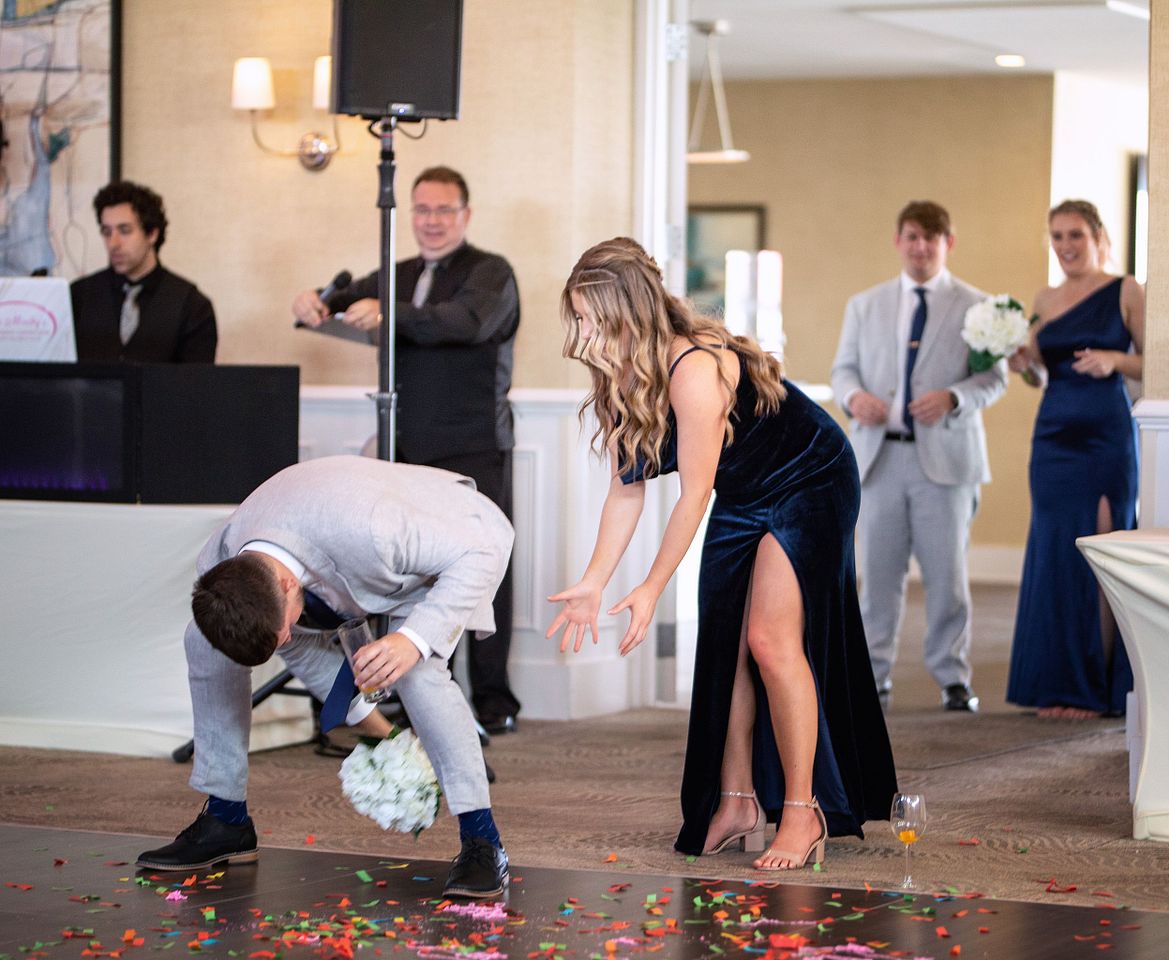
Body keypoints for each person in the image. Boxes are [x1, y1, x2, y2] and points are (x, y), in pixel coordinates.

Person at [547, 238, 896, 870]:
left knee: (768, 639)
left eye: (594, 318)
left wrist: (651, 587)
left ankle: (802, 811)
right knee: (725, 649)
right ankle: (736, 804)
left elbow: (694, 492)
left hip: (808, 477)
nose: (586, 334)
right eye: (579, 318)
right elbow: (627, 492)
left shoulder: (693, 369)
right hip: (745, 490)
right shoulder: (627, 374)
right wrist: (595, 581)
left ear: (632, 311)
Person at [135, 456, 514, 900]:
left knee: (417, 674)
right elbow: (296, 646)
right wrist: (385, 737)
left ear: (282, 584)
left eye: (280, 632)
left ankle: (482, 842)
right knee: (204, 638)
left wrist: (411, 640)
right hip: (332, 563)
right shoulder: (220, 564)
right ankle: (226, 819)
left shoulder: (374, 529)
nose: (284, 641)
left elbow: (487, 544)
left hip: (450, 543)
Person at [292, 166, 520, 735]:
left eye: (445, 210)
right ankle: (407, 691)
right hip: (404, 447)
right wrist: (315, 301)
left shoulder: (491, 272)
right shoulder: (395, 274)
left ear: (466, 215)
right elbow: (344, 297)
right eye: (422, 210)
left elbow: (464, 322)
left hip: (473, 444)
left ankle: (493, 700)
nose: (432, 221)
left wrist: (389, 313)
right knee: (404, 570)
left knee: (483, 569)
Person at [831, 201, 1007, 713]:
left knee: (947, 575)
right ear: (898, 240)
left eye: (932, 238)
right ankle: (873, 676)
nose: (921, 246)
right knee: (877, 576)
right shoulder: (866, 305)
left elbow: (994, 378)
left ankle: (953, 677)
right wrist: (852, 399)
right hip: (879, 459)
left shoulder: (979, 306)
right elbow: (843, 370)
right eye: (912, 236)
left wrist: (954, 398)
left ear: (948, 243)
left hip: (946, 461)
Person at [1006, 200, 1144, 719]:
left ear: (1098, 236)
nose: (1065, 246)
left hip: (1106, 434)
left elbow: (1159, 362)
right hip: (1053, 437)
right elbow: (1042, 373)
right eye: (1057, 236)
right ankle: (1060, 683)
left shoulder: (1126, 289)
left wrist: (1116, 359)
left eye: (1076, 236)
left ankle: (1096, 687)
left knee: (1101, 554)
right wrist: (1024, 364)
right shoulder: (1046, 296)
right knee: (1057, 554)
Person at [70, 181, 217, 363]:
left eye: (125, 231)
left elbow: (194, 386)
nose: (113, 243)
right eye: (107, 232)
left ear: (152, 234)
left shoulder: (192, 306)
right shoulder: (78, 296)